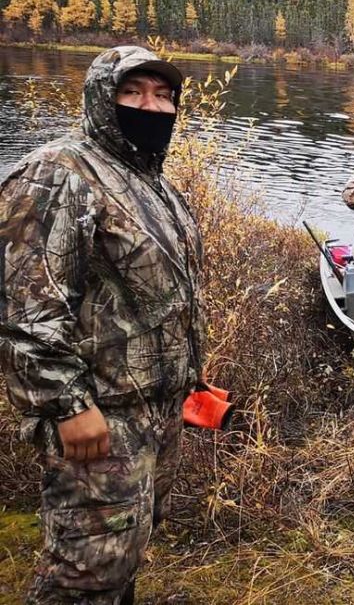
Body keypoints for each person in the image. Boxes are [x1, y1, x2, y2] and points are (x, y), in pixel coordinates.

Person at [0, 46, 204, 604]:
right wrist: (67, 406)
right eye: (132, 91)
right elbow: (24, 307)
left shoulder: (147, 178)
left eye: (163, 95)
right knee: (85, 570)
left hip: (154, 410)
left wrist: (187, 378)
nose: (152, 106)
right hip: (99, 414)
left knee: (125, 551)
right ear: (100, 98)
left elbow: (159, 295)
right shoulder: (58, 173)